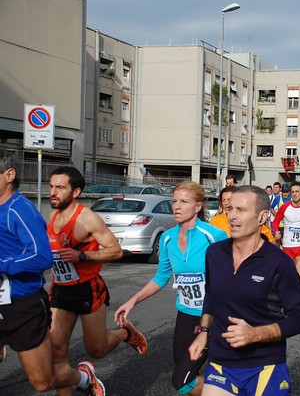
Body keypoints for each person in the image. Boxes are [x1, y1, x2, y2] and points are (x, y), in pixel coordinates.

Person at [188, 185, 300, 395]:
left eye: (241, 210)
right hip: (221, 362)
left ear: (262, 217)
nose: (232, 217)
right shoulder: (214, 253)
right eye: (230, 209)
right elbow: (211, 295)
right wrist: (204, 332)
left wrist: (256, 334)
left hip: (264, 365)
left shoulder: (278, 263)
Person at [0, 153, 103, 394]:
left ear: (9, 175)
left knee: (42, 382)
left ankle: (83, 378)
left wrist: (2, 264)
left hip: (21, 304)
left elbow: (42, 257)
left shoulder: (19, 210)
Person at [115, 181, 228, 395]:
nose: (176, 206)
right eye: (174, 201)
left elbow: (235, 273)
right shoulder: (167, 239)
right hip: (185, 315)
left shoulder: (214, 236)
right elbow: (161, 277)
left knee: (181, 381)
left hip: (212, 316)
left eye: (183, 201)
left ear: (197, 206)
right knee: (186, 379)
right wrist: (132, 301)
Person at [47, 166, 146, 396]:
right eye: (51, 186)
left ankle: (125, 333)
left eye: (60, 187)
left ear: (75, 192)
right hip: (60, 290)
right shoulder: (52, 217)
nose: (53, 192)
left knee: (97, 349)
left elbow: (116, 251)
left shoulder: (87, 219)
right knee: (58, 350)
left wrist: (82, 255)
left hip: (87, 289)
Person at [210, 186, 276, 243]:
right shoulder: (215, 221)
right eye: (223, 200)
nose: (226, 203)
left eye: (229, 199)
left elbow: (271, 241)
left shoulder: (250, 220)